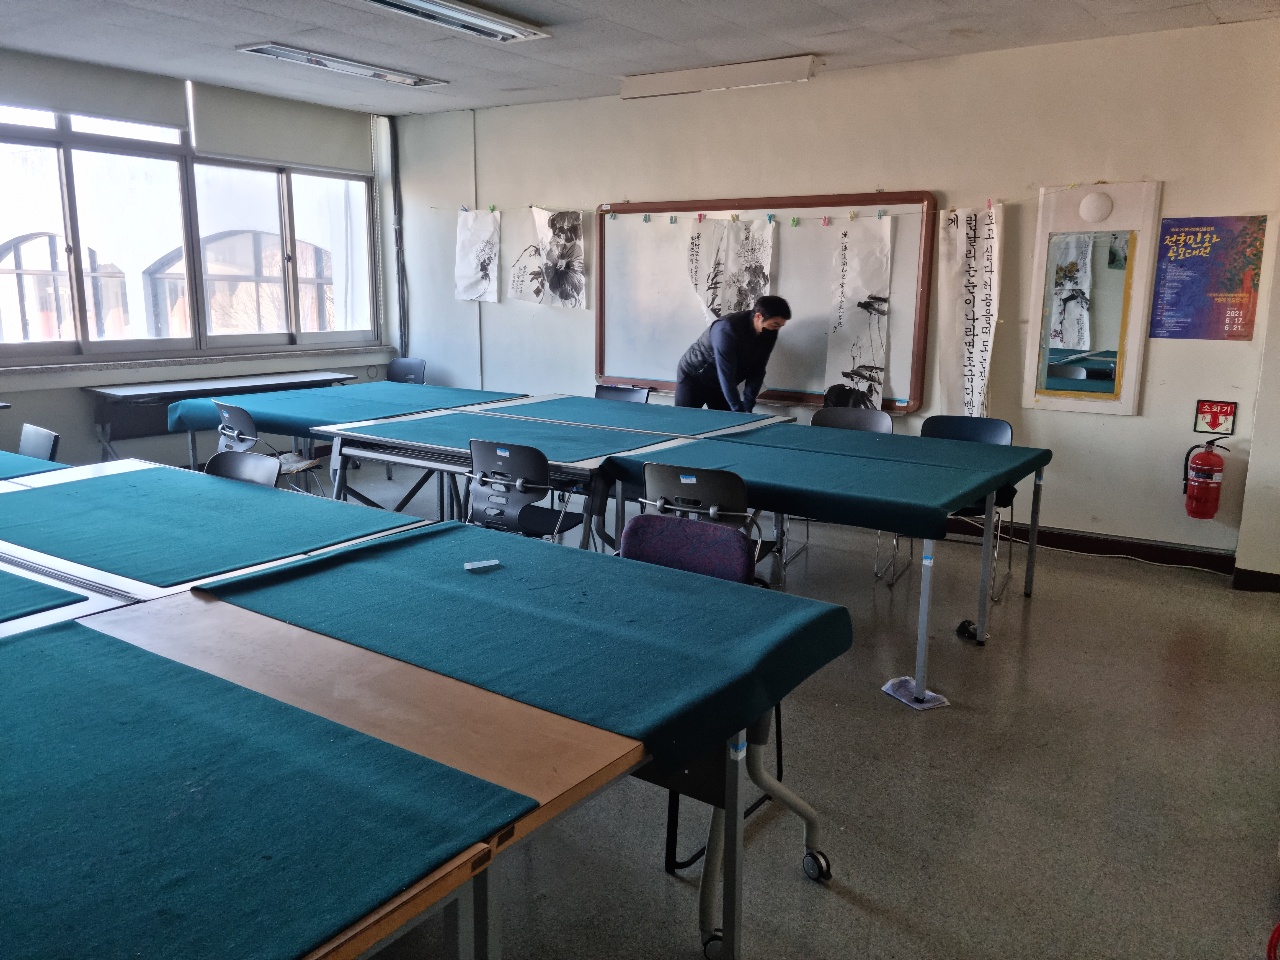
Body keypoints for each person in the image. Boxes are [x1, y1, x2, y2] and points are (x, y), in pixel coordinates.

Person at [675, 295, 790, 412]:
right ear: (758, 316)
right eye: (775, 324)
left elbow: (758, 370)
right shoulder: (727, 329)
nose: (777, 329)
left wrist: (748, 406)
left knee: (728, 421)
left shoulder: (770, 332)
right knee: (685, 419)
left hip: (721, 383)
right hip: (695, 376)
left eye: (780, 326)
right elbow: (726, 374)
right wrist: (739, 411)